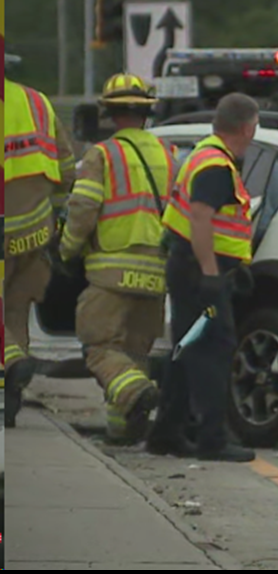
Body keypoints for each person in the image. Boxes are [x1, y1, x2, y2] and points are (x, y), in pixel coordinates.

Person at [59, 73, 178, 444]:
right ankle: (124, 430)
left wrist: (67, 249)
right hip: (156, 272)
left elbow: (83, 208)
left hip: (111, 270)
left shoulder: (102, 154)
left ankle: (136, 393)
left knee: (100, 348)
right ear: (147, 113)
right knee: (133, 355)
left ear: (109, 114)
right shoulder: (170, 154)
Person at [147, 92, 260, 462]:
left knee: (188, 347)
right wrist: (213, 273)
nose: (254, 135)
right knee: (215, 349)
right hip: (200, 272)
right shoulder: (216, 165)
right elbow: (199, 216)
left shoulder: (202, 153)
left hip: (190, 266)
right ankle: (212, 439)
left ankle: (166, 433)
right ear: (245, 127)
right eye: (254, 127)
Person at [4, 70, 77, 426]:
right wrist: (56, 214)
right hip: (33, 229)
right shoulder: (37, 102)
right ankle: (10, 397)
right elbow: (66, 168)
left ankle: (11, 360)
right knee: (16, 310)